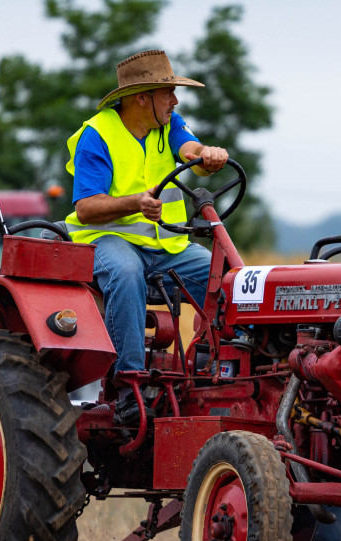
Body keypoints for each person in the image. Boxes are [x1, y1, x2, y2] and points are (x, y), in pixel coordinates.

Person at [64, 49, 228, 425]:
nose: (175, 100)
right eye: (167, 92)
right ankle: (129, 388)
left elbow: (191, 152)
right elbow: (87, 208)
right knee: (123, 272)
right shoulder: (97, 134)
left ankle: (217, 366)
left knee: (225, 277)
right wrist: (135, 204)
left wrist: (208, 155)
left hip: (164, 247)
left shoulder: (169, 125)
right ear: (142, 97)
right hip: (105, 239)